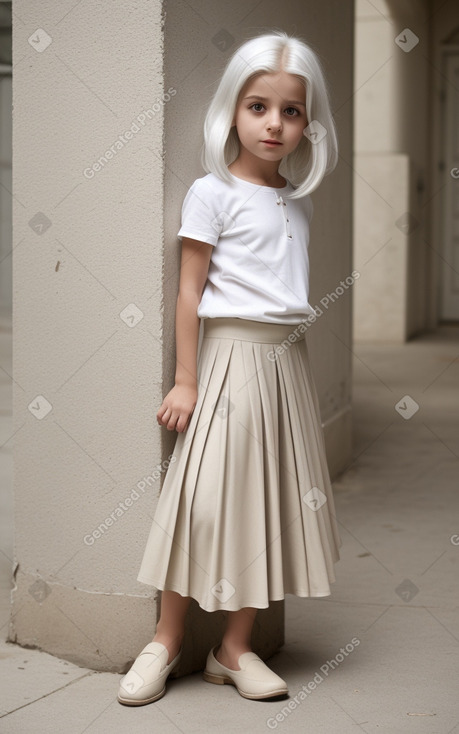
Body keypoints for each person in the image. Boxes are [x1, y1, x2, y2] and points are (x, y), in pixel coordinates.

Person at [118, 28, 342, 706]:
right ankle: (164, 638)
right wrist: (186, 378)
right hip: (225, 362)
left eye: (291, 111)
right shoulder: (210, 194)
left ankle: (234, 647)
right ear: (232, 110)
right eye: (258, 106)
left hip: (285, 365)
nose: (274, 123)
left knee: (273, 503)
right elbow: (190, 291)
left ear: (309, 123)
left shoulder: (297, 203)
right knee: (205, 502)